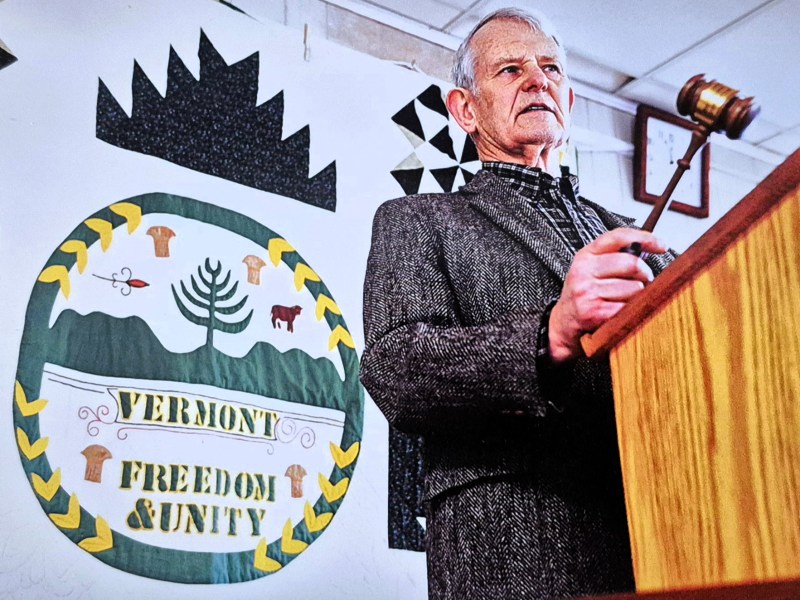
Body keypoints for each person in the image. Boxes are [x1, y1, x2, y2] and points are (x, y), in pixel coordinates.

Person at [361, 7, 674, 600]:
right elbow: (396, 369)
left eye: (550, 67)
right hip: (513, 547)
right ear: (465, 110)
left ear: (570, 101)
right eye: (510, 69)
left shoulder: (638, 239)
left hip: (665, 536)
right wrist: (550, 334)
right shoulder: (418, 219)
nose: (537, 79)